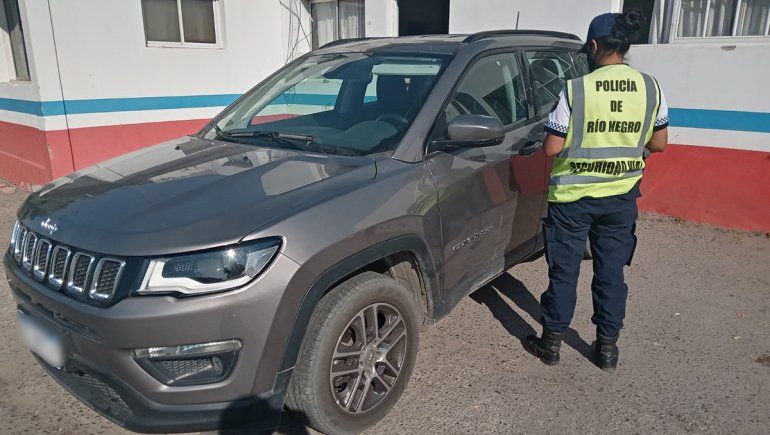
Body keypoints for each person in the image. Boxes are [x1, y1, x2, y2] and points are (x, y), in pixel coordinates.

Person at [523, 9, 668, 371]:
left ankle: (551, 345)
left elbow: (552, 148)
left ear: (592, 46)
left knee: (564, 273)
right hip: (620, 199)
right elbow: (660, 143)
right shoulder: (650, 87)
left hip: (572, 201)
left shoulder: (576, 89)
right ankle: (607, 350)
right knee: (611, 273)